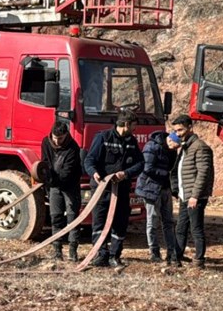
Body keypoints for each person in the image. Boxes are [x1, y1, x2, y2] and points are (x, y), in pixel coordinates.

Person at [83, 110, 144, 268]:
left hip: (121, 189)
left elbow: (140, 164)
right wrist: (94, 173)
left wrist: (126, 173)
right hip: (102, 189)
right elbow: (89, 160)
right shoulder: (103, 137)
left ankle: (114, 256)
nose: (135, 129)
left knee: (120, 223)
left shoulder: (131, 141)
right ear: (125, 124)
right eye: (133, 126)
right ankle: (100, 255)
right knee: (99, 223)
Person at [170, 114, 214, 269]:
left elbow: (203, 173)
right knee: (181, 228)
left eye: (180, 130)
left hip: (195, 197)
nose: (178, 134)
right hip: (185, 195)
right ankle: (176, 258)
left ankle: (199, 260)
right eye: (175, 131)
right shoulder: (185, 147)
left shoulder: (200, 147)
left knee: (196, 228)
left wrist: (195, 196)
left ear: (190, 127)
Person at [40, 120, 82, 261]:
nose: (57, 141)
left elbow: (67, 172)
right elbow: (45, 161)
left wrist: (54, 180)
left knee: (72, 218)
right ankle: (57, 250)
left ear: (66, 135)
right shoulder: (46, 142)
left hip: (70, 186)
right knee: (56, 217)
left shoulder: (73, 148)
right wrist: (46, 179)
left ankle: (72, 250)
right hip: (54, 186)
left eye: (60, 138)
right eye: (55, 138)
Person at [135, 129, 179, 264]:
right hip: (151, 188)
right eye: (175, 146)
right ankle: (154, 252)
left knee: (169, 222)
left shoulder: (172, 149)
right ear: (170, 140)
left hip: (165, 188)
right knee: (152, 221)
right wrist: (166, 174)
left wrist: (174, 188)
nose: (175, 149)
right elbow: (147, 168)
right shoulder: (151, 147)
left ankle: (172, 253)